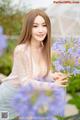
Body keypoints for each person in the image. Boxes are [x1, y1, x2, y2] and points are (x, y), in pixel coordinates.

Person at [0, 9, 67, 120]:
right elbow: (25, 82)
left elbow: (38, 73)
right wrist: (53, 86)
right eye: (35, 26)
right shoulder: (21, 50)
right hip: (8, 99)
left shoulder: (44, 47)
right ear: (28, 28)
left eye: (44, 25)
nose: (41, 30)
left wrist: (53, 75)